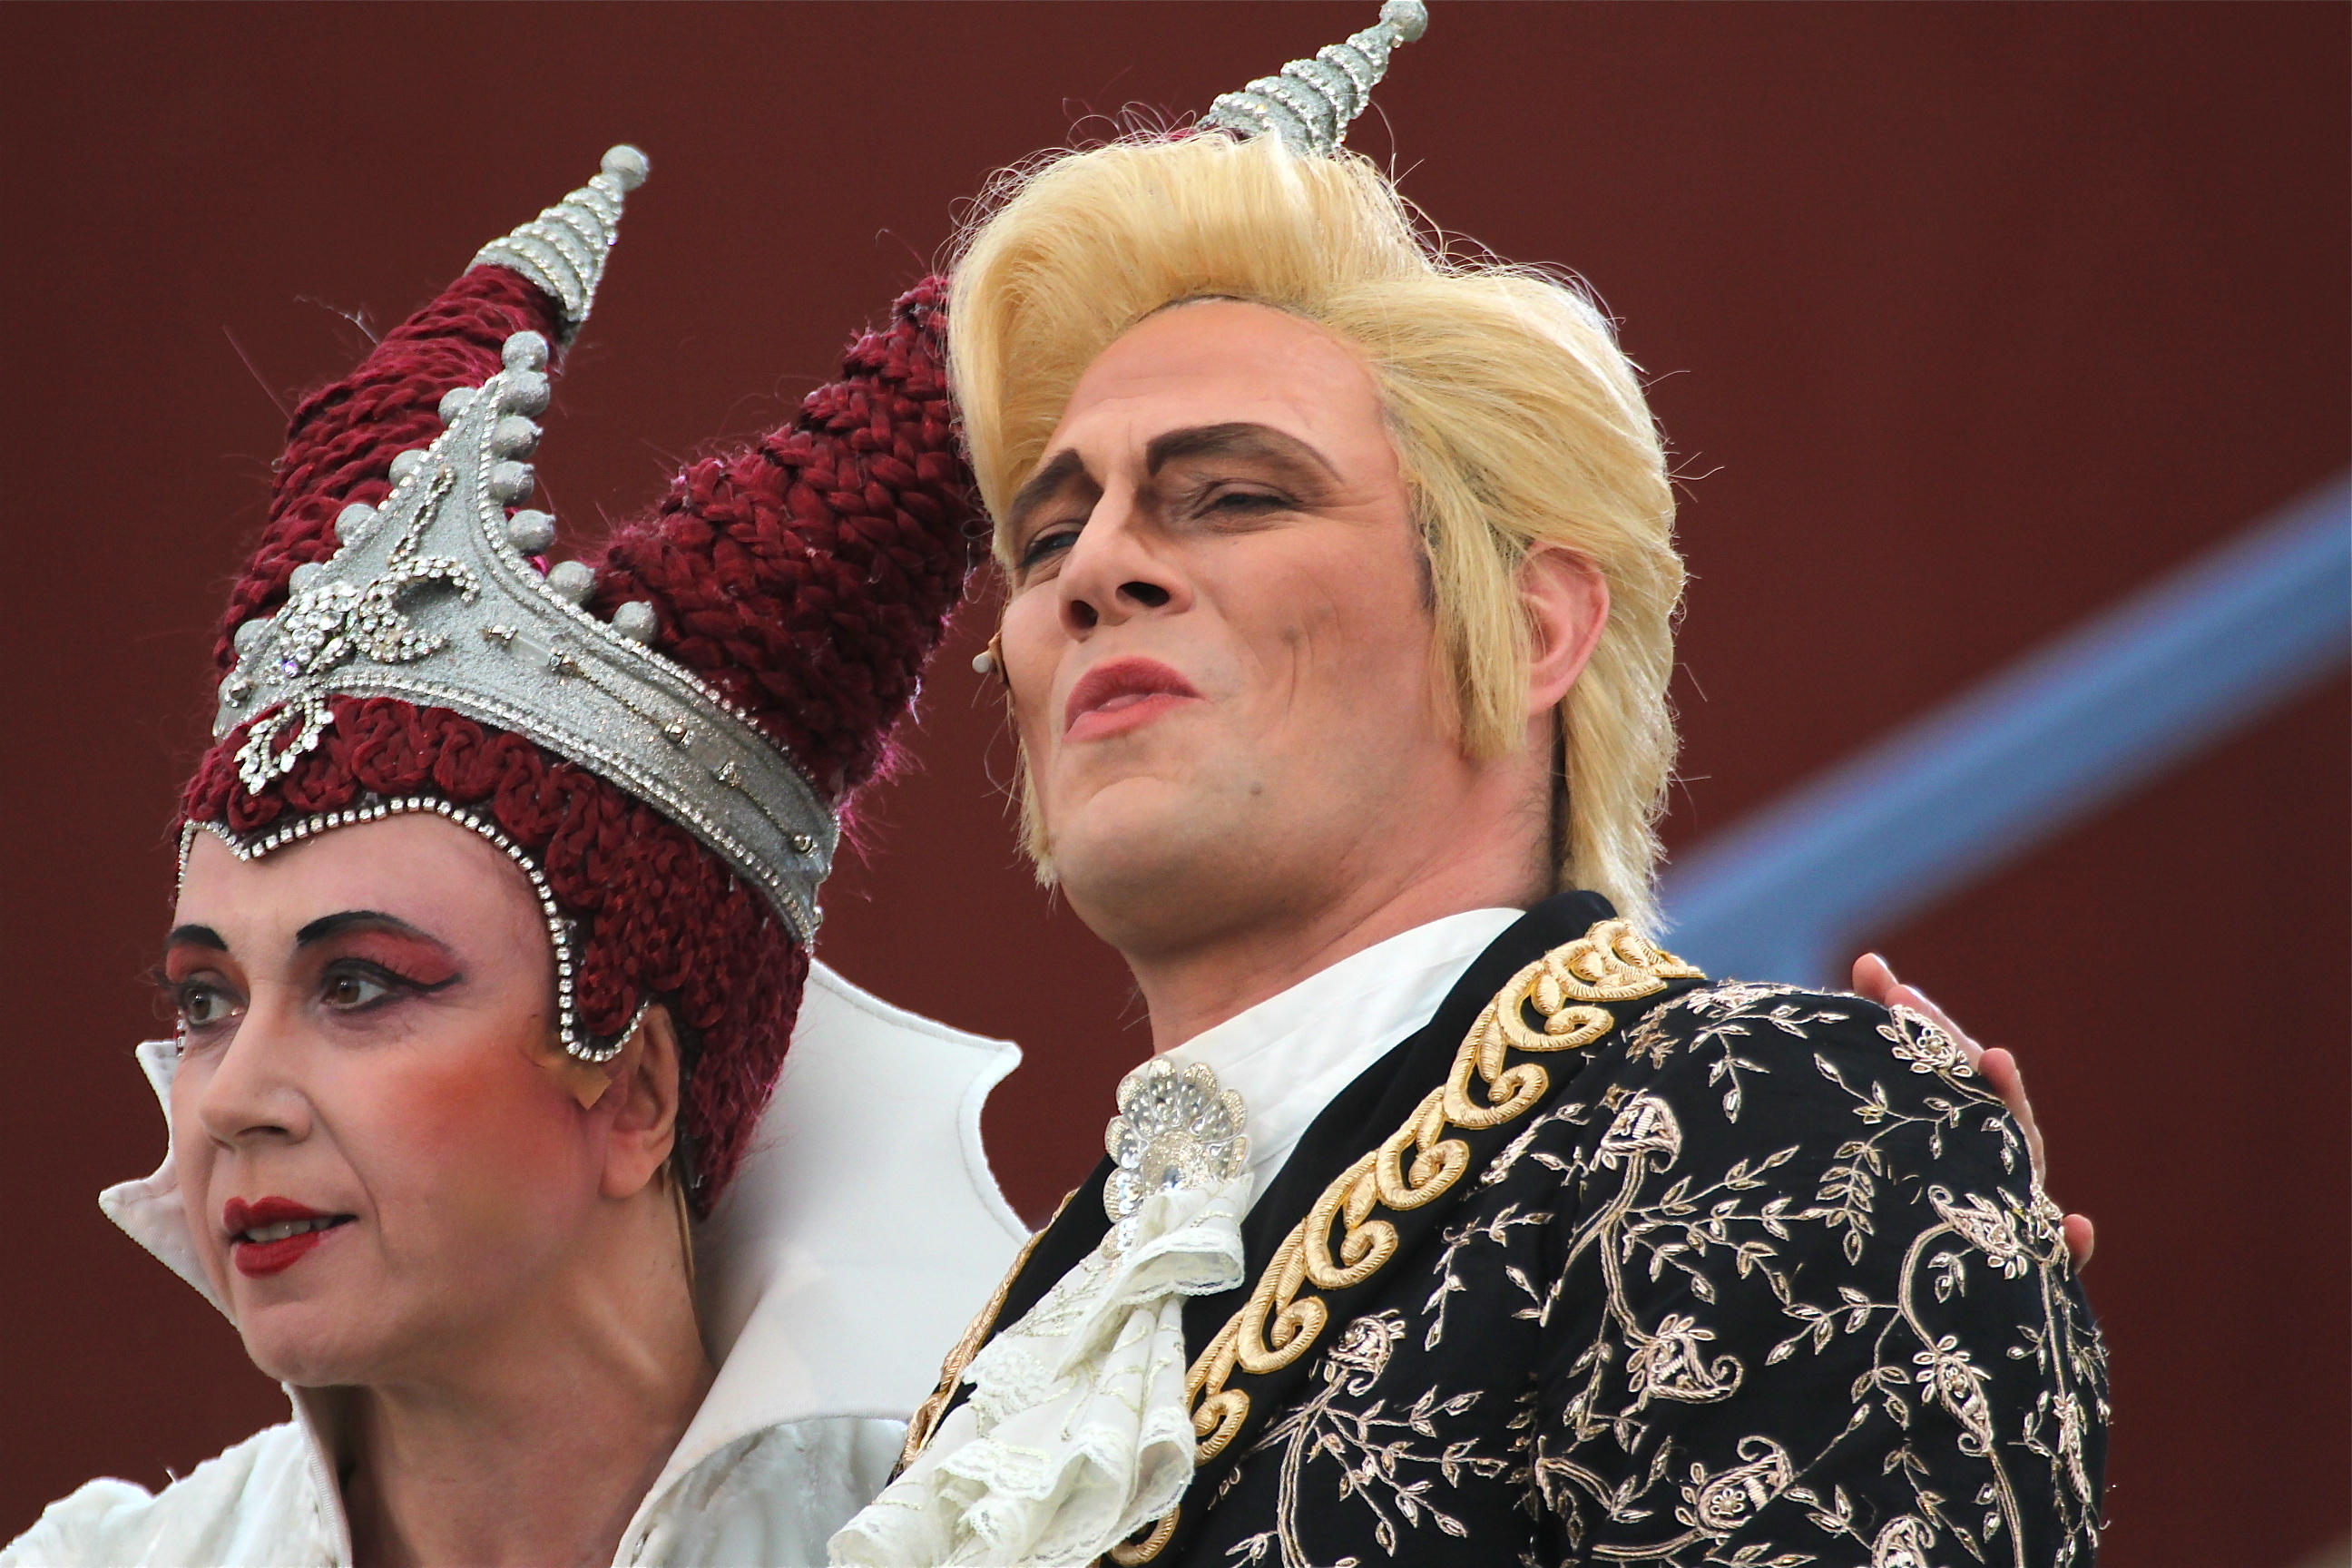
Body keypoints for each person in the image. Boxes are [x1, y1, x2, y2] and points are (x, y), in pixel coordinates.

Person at [835, 6, 2107, 1565]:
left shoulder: (1776, 1128)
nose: (1095, 569)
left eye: (1229, 495)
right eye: (1045, 540)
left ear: (1531, 624)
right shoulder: (1024, 1349)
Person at [4, 148, 1028, 1568]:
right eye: (205, 1001)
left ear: (638, 1091)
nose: (226, 1100)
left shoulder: (1007, 1544)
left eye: (358, 985)